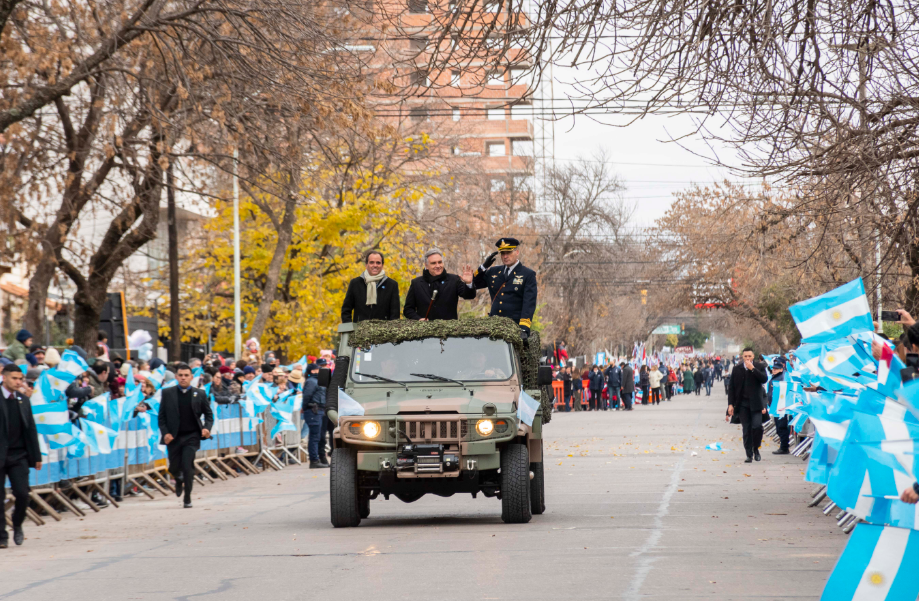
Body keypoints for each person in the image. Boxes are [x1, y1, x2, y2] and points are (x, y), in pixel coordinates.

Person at [158, 363, 213, 508]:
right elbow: (161, 417)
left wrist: (207, 428)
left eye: (186, 375)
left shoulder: (199, 394)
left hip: (192, 436)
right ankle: (178, 478)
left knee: (188, 465)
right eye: (180, 375)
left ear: (191, 377)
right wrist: (166, 433)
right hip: (174, 437)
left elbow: (209, 415)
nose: (183, 378)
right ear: (176, 377)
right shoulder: (167, 393)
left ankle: (187, 498)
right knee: (174, 467)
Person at [0, 363, 42, 547]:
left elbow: (31, 429)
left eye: (20, 379)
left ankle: (17, 524)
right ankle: (1, 536)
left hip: (19, 456)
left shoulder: (23, 400)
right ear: (4, 377)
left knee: (23, 493)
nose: (18, 382)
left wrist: (36, 456)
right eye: (14, 378)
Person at [471, 237, 537, 339]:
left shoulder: (527, 274)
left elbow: (529, 303)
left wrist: (524, 328)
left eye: (508, 252)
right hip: (494, 327)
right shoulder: (494, 272)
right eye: (502, 253)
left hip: (514, 327)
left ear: (517, 252)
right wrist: (483, 267)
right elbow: (475, 283)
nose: (505, 256)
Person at [403, 248, 476, 321]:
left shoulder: (454, 280)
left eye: (440, 262)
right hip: (425, 330)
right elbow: (408, 310)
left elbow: (469, 296)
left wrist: (468, 283)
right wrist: (418, 319)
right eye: (433, 263)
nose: (438, 266)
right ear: (426, 265)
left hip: (449, 330)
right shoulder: (416, 283)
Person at [726, 348, 769, 463]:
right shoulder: (737, 369)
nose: (747, 358)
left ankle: (756, 448)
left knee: (757, 427)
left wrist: (753, 369)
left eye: (749, 356)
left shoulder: (759, 367)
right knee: (746, 430)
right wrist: (730, 404)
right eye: (745, 356)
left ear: (753, 356)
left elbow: (764, 379)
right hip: (743, 404)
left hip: (756, 404)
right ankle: (749, 454)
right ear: (742, 357)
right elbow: (732, 388)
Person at [341, 251, 400, 323]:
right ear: (366, 265)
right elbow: (346, 310)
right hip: (359, 330)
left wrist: (391, 332)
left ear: (382, 265)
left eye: (378, 263)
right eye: (371, 262)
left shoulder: (392, 285)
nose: (375, 265)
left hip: (383, 332)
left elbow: (395, 314)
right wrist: (349, 328)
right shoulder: (355, 283)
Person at [300, 363, 329, 468]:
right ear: (312, 371)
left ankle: (315, 459)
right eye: (318, 369)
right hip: (313, 410)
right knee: (314, 437)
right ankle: (314, 460)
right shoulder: (311, 381)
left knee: (316, 437)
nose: (320, 370)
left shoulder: (317, 381)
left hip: (318, 411)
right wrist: (305, 407)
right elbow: (307, 396)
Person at [768, 357, 791, 455]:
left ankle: (784, 447)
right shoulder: (775, 377)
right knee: (778, 427)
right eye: (773, 368)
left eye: (776, 369)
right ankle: (783, 446)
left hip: (781, 406)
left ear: (782, 369)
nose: (774, 370)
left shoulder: (782, 378)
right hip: (775, 406)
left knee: (781, 427)